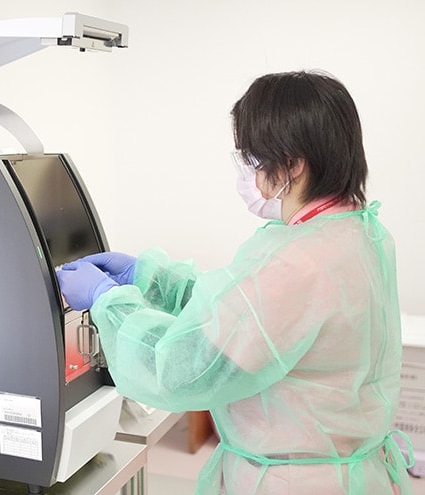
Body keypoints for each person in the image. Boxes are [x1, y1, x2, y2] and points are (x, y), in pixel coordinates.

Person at [56, 70, 414, 494]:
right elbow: (252, 316)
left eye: (252, 157)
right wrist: (151, 279)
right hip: (352, 472)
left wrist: (110, 303)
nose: (248, 171)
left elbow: (180, 370)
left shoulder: (298, 263)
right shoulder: (356, 232)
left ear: (293, 164)